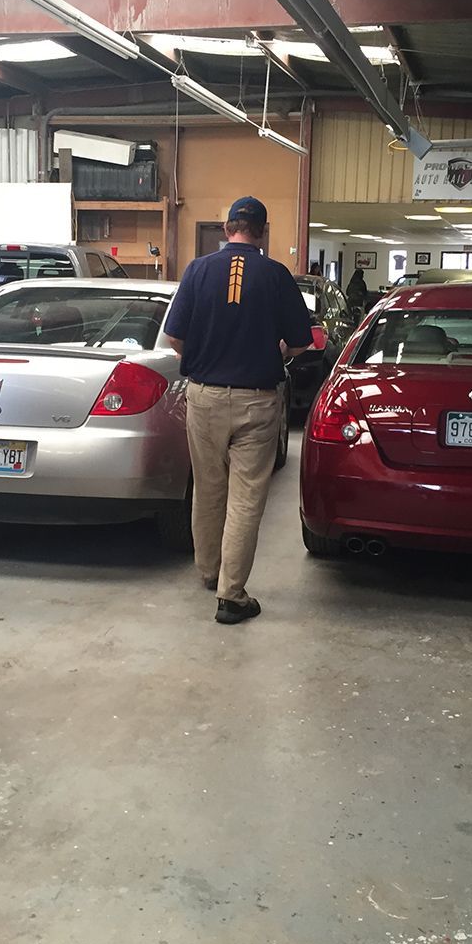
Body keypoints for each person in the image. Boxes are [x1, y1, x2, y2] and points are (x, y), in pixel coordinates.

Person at [164, 197, 313, 625]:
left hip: (205, 397)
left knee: (208, 489)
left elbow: (174, 338)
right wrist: (279, 350)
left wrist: (206, 356)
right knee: (246, 498)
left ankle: (209, 571)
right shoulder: (276, 275)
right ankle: (231, 595)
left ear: (227, 228)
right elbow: (301, 342)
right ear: (262, 232)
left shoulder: (197, 270)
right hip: (257, 401)